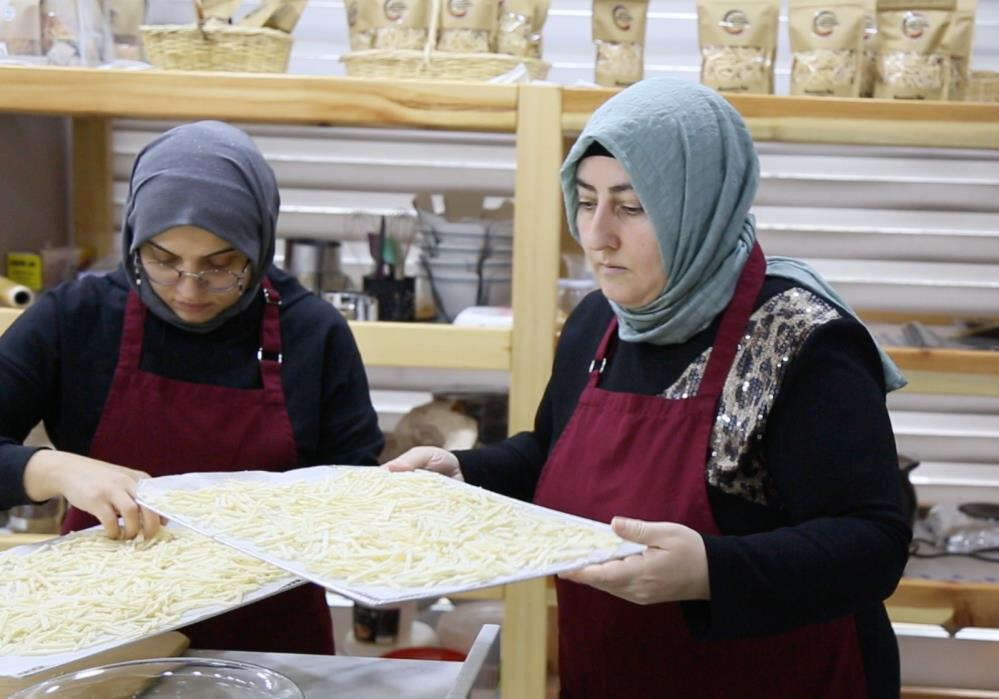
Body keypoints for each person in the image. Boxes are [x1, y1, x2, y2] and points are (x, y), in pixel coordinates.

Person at [386, 78, 911, 698]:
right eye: (586, 201)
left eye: (631, 207)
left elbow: (873, 541)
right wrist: (464, 474)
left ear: (702, 205)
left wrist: (711, 572)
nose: (597, 235)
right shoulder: (599, 321)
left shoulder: (801, 341)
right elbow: (549, 455)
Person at [0, 120, 383, 654]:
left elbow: (359, 497)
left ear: (258, 245)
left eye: (221, 266)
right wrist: (54, 469)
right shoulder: (76, 319)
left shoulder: (312, 333)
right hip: (102, 628)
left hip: (267, 638)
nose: (189, 289)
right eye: (162, 261)